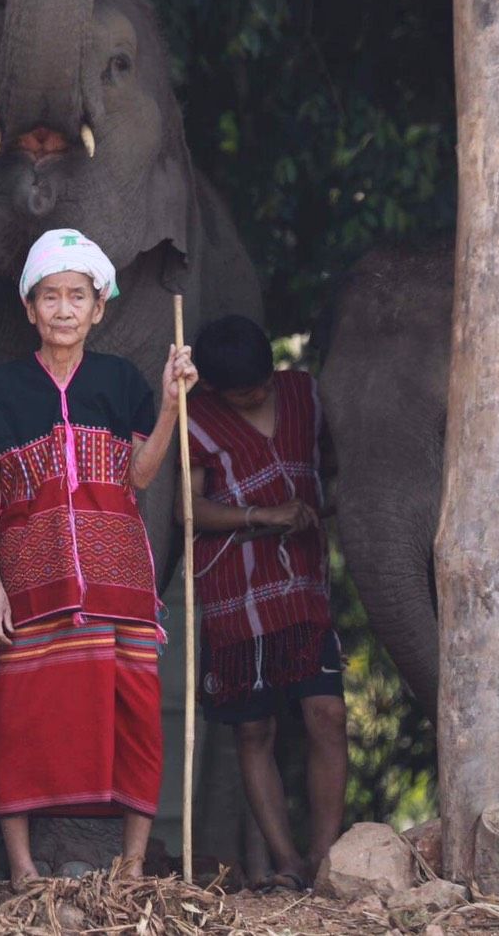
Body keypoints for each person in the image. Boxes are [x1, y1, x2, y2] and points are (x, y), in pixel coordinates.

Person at [0, 230, 196, 884]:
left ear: (99, 309)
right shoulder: (2, 387)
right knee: (20, 716)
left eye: (77, 296)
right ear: (29, 307)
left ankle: (131, 865)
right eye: (50, 296)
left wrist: (171, 405)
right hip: (30, 576)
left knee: (135, 714)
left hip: (118, 579)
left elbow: (143, 474)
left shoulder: (120, 380)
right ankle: (22, 868)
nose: (64, 309)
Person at [184, 313, 345, 891]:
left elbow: (337, 467)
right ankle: (287, 862)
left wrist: (317, 504)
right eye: (243, 394)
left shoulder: (305, 394)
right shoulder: (193, 418)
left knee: (327, 714)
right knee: (253, 730)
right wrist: (262, 515)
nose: (257, 397)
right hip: (235, 595)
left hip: (303, 588)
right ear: (212, 388)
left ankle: (325, 859)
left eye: (262, 385)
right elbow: (189, 508)